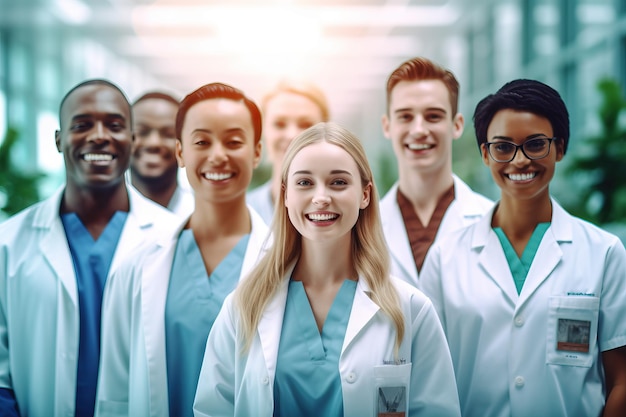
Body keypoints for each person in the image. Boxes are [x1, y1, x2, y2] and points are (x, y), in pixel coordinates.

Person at [193, 122, 461, 417]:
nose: (321, 197)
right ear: (285, 195)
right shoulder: (243, 306)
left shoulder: (411, 310)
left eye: (338, 182)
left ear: (365, 194)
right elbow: (212, 409)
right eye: (305, 183)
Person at [420, 79, 626, 417]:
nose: (519, 160)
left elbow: (621, 380)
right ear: (486, 154)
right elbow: (426, 377)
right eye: (503, 147)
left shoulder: (603, 253)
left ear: (560, 148)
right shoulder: (446, 257)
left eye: (535, 144)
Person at [0, 79, 179, 417]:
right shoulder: (8, 243)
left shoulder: (174, 239)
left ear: (132, 140)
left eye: (114, 125)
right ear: (58, 140)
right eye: (82, 125)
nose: (99, 135)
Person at [95, 82, 269, 417]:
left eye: (234, 142)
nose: (218, 155)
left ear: (256, 152)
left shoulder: (290, 265)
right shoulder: (135, 266)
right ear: (180, 153)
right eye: (202, 142)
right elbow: (114, 397)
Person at [379, 56, 493, 288]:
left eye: (433, 116)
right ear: (388, 126)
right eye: (405, 117)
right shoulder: (361, 229)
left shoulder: (492, 222)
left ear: (457, 125)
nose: (419, 130)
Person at [247, 79, 330, 224]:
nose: (292, 135)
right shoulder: (245, 212)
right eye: (279, 124)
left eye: (306, 125)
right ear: (262, 130)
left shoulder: (346, 211)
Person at [129, 91, 194, 218]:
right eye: (141, 132)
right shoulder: (99, 216)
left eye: (169, 134)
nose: (154, 143)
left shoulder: (204, 216)